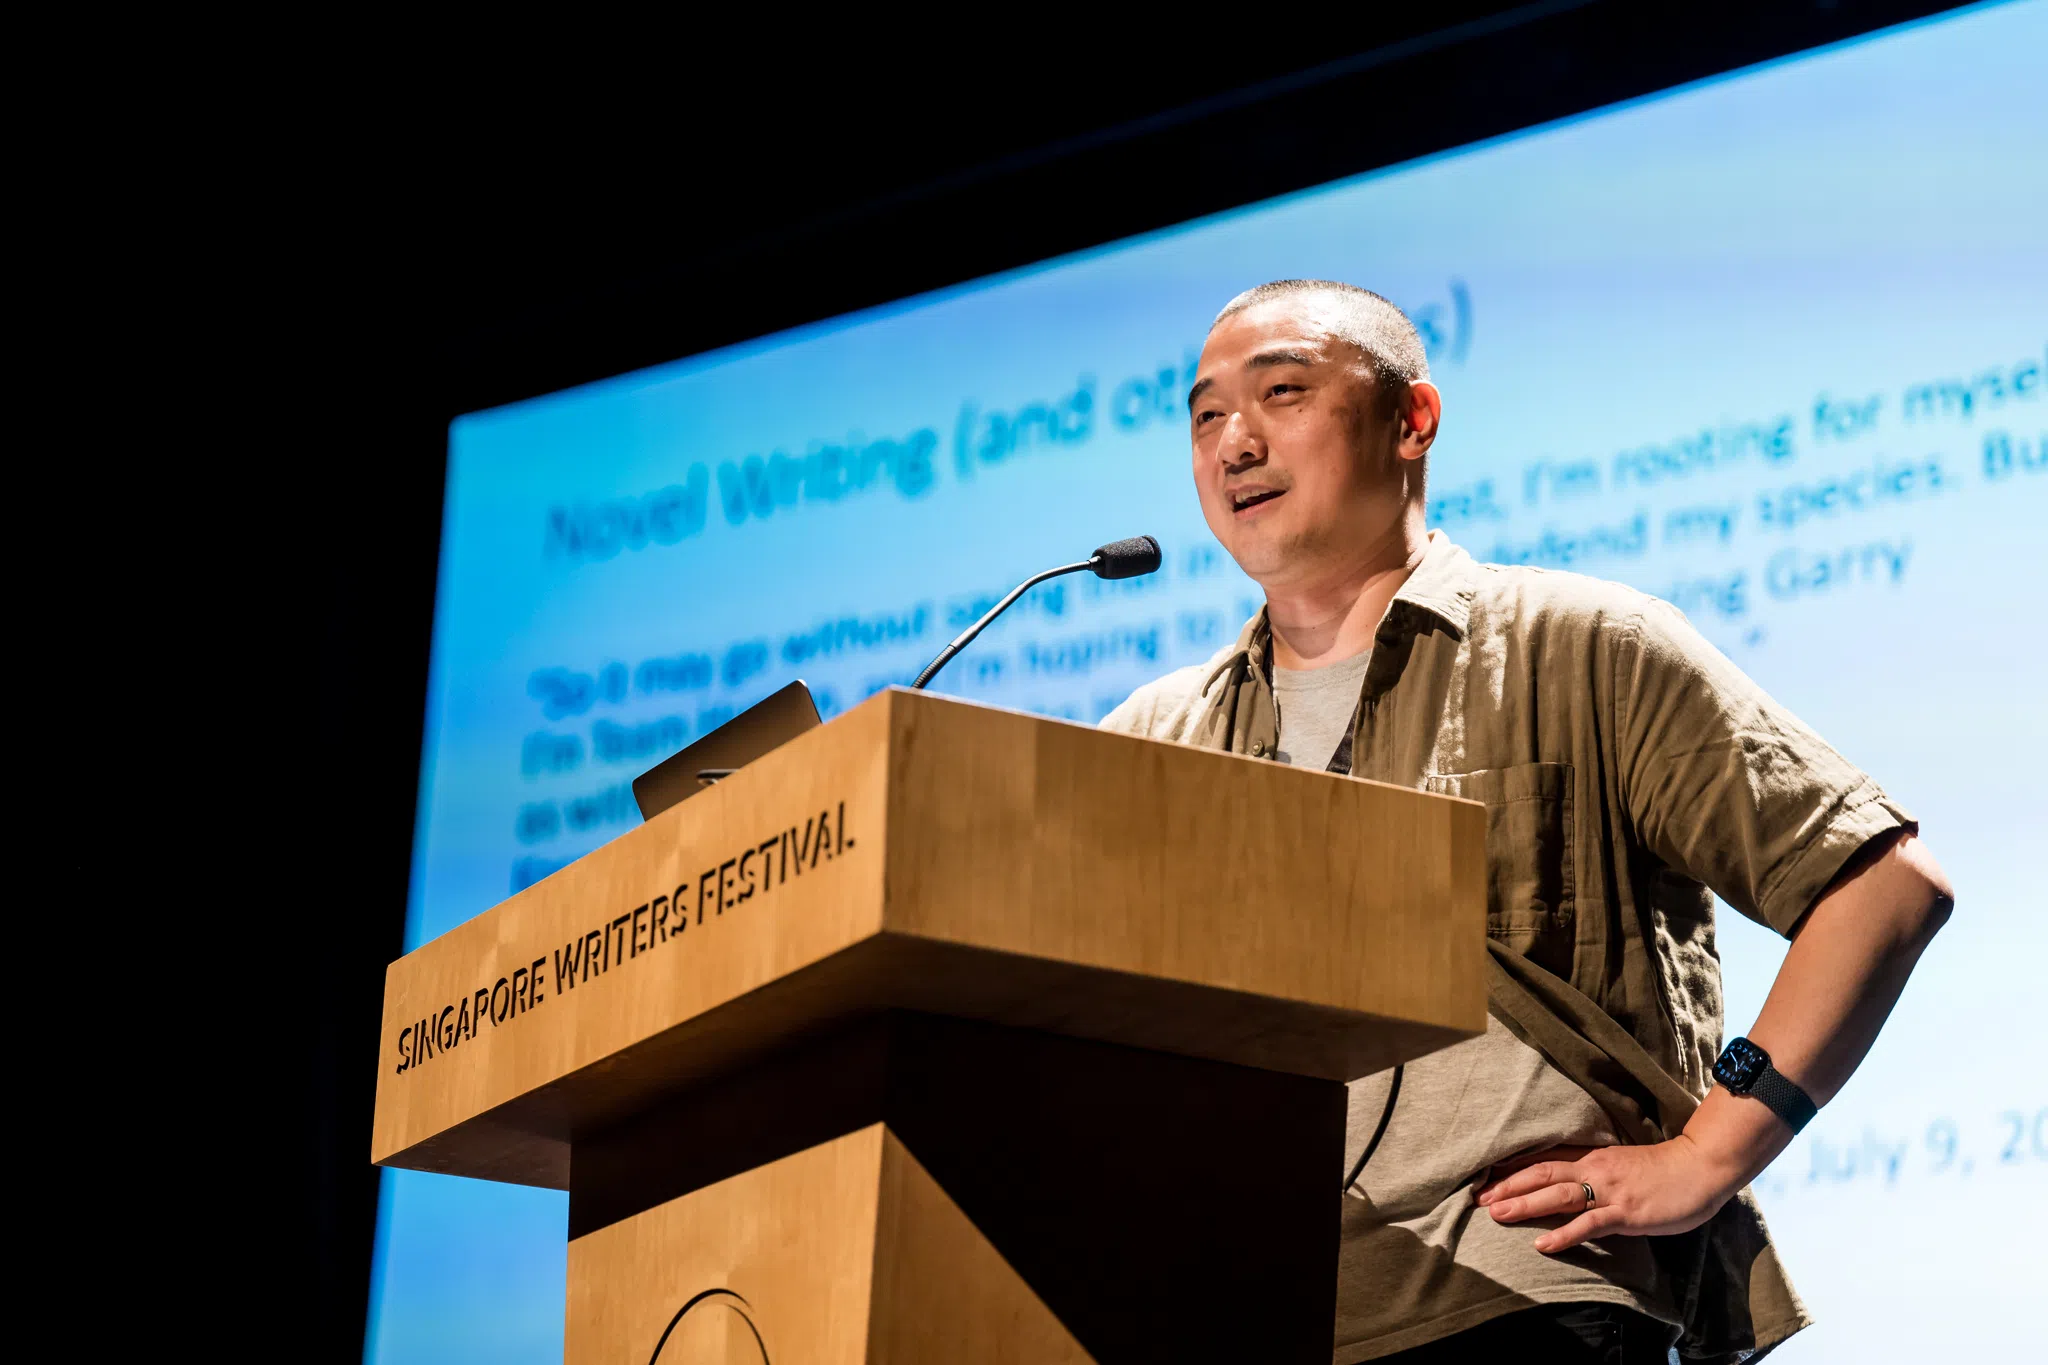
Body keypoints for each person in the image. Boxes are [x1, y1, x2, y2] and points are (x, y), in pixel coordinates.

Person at [1099, 280, 1954, 1365]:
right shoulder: (1154, 737)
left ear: (1412, 420)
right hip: (1231, 1316)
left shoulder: (1583, 644)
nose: (1234, 443)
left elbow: (1882, 886)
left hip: (1521, 1302)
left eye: (1282, 394)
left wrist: (1708, 1154)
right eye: (1206, 415)